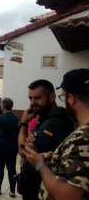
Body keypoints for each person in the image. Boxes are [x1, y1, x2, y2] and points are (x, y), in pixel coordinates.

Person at [23, 69, 89, 200]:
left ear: (71, 98)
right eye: (30, 98)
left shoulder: (82, 137)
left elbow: (67, 196)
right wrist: (54, 156)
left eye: (63, 96)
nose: (32, 102)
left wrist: (40, 164)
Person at [18, 79, 75, 200]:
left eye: (38, 98)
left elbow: (23, 151)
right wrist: (31, 135)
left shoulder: (53, 122)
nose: (33, 103)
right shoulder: (49, 115)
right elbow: (29, 144)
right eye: (30, 98)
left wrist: (23, 123)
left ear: (52, 96)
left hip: (40, 187)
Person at [0, 97, 19, 198]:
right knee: (12, 169)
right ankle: (12, 191)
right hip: (12, 148)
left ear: (3, 106)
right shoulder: (16, 118)